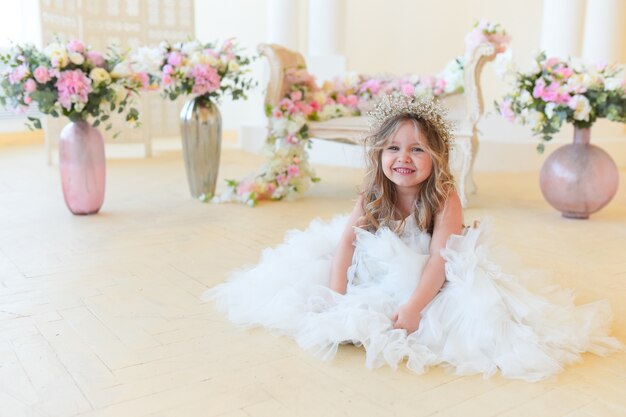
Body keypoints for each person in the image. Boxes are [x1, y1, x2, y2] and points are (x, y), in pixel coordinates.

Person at [205, 95, 621, 381]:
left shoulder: (444, 195)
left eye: (418, 150)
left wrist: (415, 307)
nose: (403, 158)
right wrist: (335, 297)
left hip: (434, 271)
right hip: (380, 263)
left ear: (436, 157)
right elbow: (347, 243)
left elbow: (441, 259)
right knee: (330, 275)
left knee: (475, 308)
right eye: (393, 149)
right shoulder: (372, 192)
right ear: (379, 155)